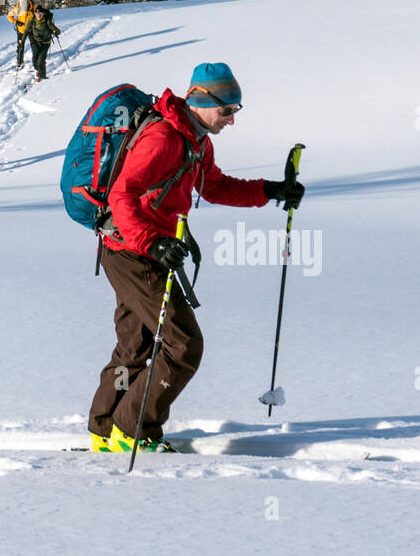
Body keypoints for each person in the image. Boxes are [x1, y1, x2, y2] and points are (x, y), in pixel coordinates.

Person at [88, 61, 305, 454]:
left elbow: (215, 186)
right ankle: (134, 430)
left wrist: (270, 190)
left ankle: (104, 428)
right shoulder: (163, 139)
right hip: (136, 252)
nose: (231, 120)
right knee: (183, 345)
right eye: (227, 111)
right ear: (201, 99)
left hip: (137, 249)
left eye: (236, 111)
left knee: (134, 346)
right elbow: (122, 195)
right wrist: (152, 244)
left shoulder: (196, 141)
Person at [26, 2, 60, 81]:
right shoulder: (32, 21)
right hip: (37, 42)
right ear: (35, 14)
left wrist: (55, 32)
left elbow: (57, 30)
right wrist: (22, 42)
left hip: (45, 43)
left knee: (41, 59)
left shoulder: (47, 22)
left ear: (43, 14)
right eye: (37, 13)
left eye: (40, 13)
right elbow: (26, 31)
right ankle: (38, 70)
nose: (38, 15)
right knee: (35, 59)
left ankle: (43, 76)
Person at [6, 0, 35, 68]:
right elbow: (9, 16)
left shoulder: (33, 8)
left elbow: (40, 15)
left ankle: (36, 60)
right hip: (21, 30)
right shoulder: (18, 8)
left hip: (31, 30)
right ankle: (20, 62)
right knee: (20, 46)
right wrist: (16, 22)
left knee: (34, 45)